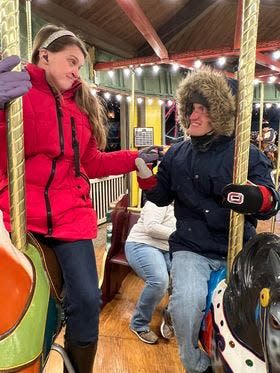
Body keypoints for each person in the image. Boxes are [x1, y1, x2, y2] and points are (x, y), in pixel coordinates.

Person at [0, 24, 161, 373]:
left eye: (80, 66)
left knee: (88, 300)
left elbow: (91, 162)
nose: (76, 72)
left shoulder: (79, 109)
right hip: (18, 214)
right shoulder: (18, 94)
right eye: (71, 61)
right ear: (45, 56)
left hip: (70, 218)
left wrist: (132, 157)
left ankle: (78, 366)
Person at [134, 67, 280, 373]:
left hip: (236, 248)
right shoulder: (177, 155)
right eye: (191, 109)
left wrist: (257, 197)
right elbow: (161, 197)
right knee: (185, 304)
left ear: (221, 114)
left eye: (204, 109)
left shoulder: (246, 155)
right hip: (192, 248)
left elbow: (270, 202)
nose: (193, 116)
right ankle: (194, 362)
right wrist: (147, 179)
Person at [125, 200, 176, 344]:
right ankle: (138, 324)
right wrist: (182, 233)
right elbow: (151, 227)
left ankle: (170, 314)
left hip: (167, 248)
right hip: (142, 243)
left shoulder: (188, 205)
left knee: (182, 278)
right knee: (159, 281)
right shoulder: (159, 200)